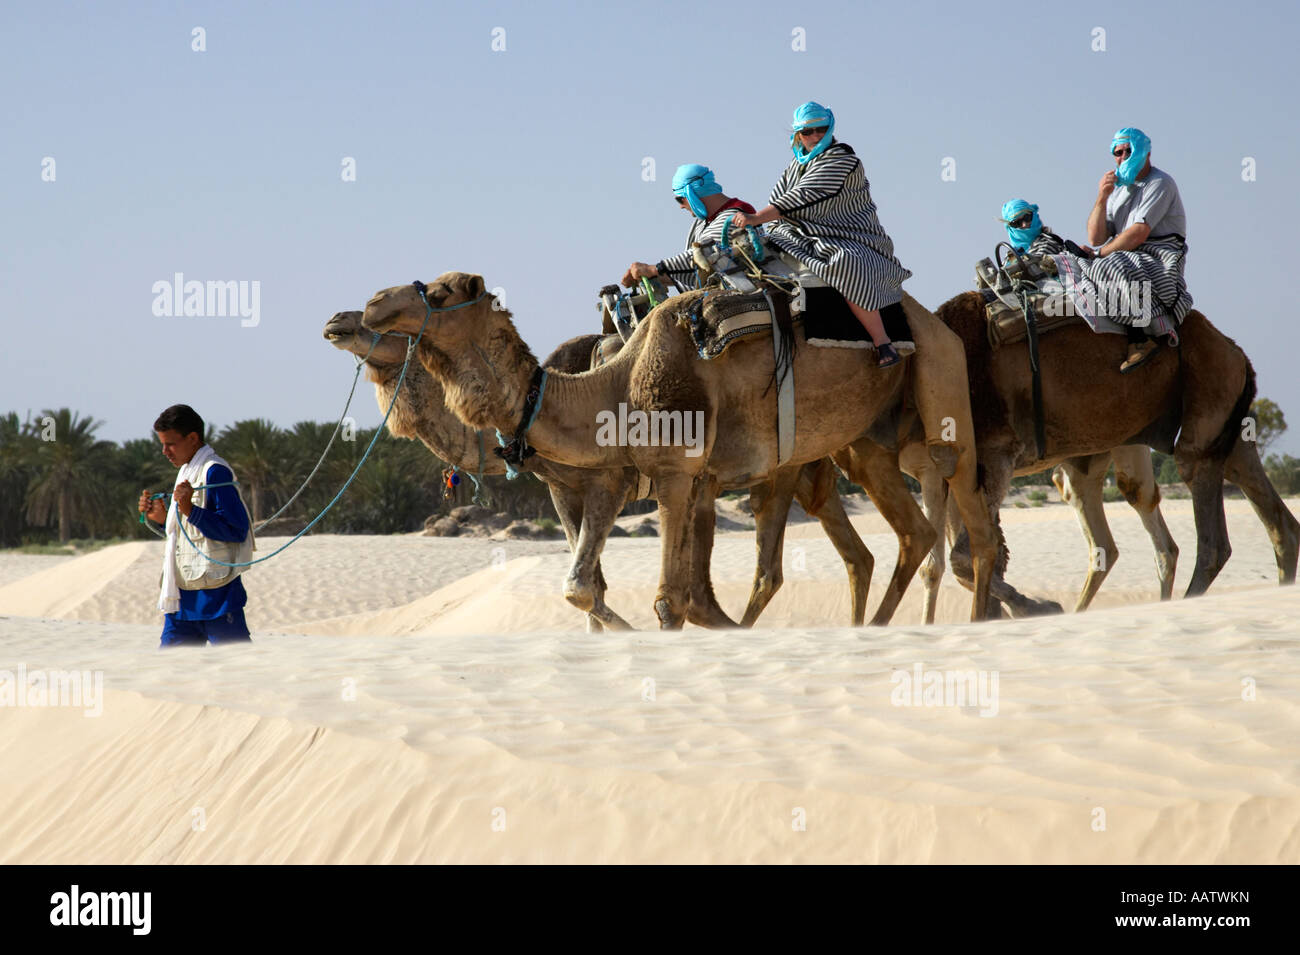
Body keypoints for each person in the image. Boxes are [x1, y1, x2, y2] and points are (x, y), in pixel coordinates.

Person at [730, 101, 913, 367]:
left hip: (847, 236)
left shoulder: (843, 160)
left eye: (821, 129)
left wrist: (757, 217)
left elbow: (804, 195)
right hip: (798, 234)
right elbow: (779, 196)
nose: (815, 136)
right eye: (808, 131)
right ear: (797, 135)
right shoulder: (796, 165)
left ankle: (882, 341)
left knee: (846, 262)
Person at [138, 404, 255, 648]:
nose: (164, 451)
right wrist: (160, 518)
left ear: (192, 438)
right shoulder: (186, 471)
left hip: (218, 598)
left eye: (170, 444)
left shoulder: (215, 472)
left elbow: (236, 530)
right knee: (171, 674)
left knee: (239, 674)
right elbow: (186, 534)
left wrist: (189, 509)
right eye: (162, 444)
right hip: (182, 600)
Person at [1084, 127, 1191, 373]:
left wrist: (1099, 255)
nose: (1122, 157)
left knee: (1113, 264)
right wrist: (1101, 198)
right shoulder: (1119, 191)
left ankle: (1140, 338)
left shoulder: (1160, 182)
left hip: (1158, 257)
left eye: (1128, 151)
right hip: (1127, 253)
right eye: (1117, 153)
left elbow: (1139, 232)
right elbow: (1096, 236)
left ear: (1145, 152)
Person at [622, 164, 758, 291]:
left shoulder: (736, 216)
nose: (681, 206)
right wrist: (653, 275)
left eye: (680, 199)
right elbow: (697, 272)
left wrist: (654, 269)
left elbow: (706, 253)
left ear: (692, 192)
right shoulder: (702, 222)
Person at [999, 199, 1065, 256]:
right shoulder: (1010, 257)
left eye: (1027, 217)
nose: (1024, 224)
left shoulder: (1049, 243)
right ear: (1010, 228)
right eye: (1017, 223)